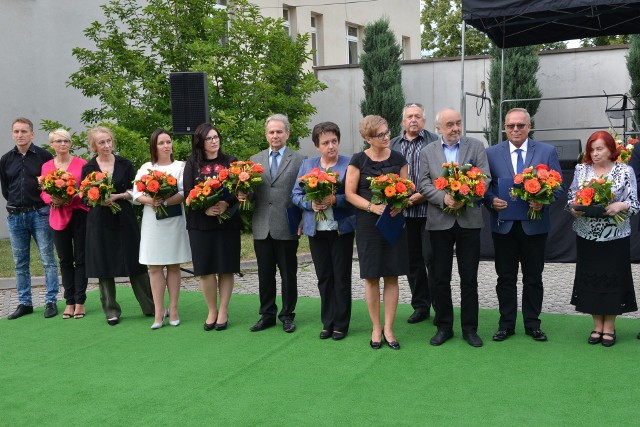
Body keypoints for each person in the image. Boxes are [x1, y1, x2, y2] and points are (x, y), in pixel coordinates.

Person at [484, 107, 563, 342]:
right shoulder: (491, 153)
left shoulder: (546, 152)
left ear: (529, 127)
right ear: (505, 128)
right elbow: (483, 188)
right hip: (504, 226)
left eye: (520, 125)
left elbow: (558, 186)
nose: (515, 129)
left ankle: (532, 324)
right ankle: (506, 324)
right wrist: (490, 201)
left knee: (533, 277)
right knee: (505, 277)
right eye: (511, 126)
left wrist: (543, 201)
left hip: (534, 226)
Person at [419, 108, 490, 348]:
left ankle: (470, 329)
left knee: (469, 277)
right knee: (440, 277)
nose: (455, 128)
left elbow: (485, 177)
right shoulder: (428, 151)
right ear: (438, 128)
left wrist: (465, 194)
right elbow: (423, 182)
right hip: (439, 223)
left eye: (458, 123)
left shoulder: (476, 146)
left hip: (469, 220)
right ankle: (444, 326)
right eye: (450, 124)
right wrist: (443, 198)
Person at [568, 131, 638, 347]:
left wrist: (621, 205)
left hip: (615, 236)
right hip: (587, 235)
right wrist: (574, 208)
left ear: (610, 150)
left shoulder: (625, 170)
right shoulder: (581, 169)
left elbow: (635, 203)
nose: (595, 153)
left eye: (600, 149)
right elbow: (571, 197)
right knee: (590, 279)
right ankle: (597, 325)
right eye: (592, 149)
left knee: (613, 279)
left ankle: (610, 327)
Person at [345, 115, 409, 350]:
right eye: (380, 134)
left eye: (386, 132)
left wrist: (400, 205)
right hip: (367, 225)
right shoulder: (358, 160)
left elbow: (407, 190)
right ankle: (375, 327)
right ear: (367, 138)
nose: (386, 137)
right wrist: (373, 207)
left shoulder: (400, 158)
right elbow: (350, 193)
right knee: (371, 277)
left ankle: (389, 328)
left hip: (393, 223)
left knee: (392, 276)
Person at [82, 126, 154, 326]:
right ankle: (111, 310)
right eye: (101, 143)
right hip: (99, 221)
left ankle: (150, 307)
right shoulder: (88, 168)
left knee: (135, 263)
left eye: (108, 141)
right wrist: (97, 199)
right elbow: (84, 196)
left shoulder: (125, 164)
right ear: (94, 146)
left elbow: (136, 192)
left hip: (124, 218)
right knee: (103, 266)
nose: (106, 145)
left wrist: (120, 196)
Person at [292, 122, 356, 340]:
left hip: (341, 230)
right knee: (324, 277)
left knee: (341, 277)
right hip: (315, 229)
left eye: (334, 141)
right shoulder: (308, 165)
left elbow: (354, 195)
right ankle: (327, 322)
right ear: (317, 146)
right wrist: (310, 204)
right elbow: (295, 195)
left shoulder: (349, 164)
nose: (331, 146)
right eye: (325, 143)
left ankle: (341, 323)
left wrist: (334, 200)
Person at [247, 114, 306, 333]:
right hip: (262, 225)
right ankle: (267, 314)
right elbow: (253, 195)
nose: (275, 135)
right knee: (264, 273)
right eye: (271, 132)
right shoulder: (255, 160)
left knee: (288, 274)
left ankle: (287, 315)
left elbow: (304, 192)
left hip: (288, 224)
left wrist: (302, 220)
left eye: (279, 131)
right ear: (266, 135)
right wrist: (244, 193)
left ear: (287, 133)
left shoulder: (300, 159)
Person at [183, 123, 241, 331]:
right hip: (200, 224)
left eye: (216, 137)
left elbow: (239, 190)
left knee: (226, 268)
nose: (214, 141)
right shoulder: (191, 164)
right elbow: (189, 194)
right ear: (201, 142)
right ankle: (212, 310)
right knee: (205, 270)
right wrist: (204, 208)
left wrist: (226, 203)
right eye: (209, 138)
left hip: (227, 223)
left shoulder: (230, 161)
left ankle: (223, 310)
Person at [0, 118, 59, 319]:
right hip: (15, 215)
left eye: (24, 131)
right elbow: (6, 189)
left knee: (48, 259)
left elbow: (51, 185)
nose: (20, 135)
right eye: (16, 131)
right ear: (12, 133)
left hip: (40, 213)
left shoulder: (44, 157)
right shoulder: (6, 159)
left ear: (32, 134)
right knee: (20, 262)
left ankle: (51, 300)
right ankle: (25, 303)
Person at [133, 129, 191, 329]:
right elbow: (136, 193)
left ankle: (173, 309)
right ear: (154, 146)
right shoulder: (146, 168)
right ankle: (159, 311)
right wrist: (152, 201)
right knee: (154, 267)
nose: (166, 146)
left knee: (174, 265)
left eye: (168, 142)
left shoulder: (181, 167)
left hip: (174, 220)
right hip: (152, 221)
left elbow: (185, 191)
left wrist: (165, 202)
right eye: (161, 143)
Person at [390, 102, 438, 324]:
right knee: (413, 262)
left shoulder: (434, 142)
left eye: (418, 116)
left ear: (424, 121)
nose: (413, 120)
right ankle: (420, 306)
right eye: (409, 116)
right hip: (404, 214)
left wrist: (423, 195)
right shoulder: (393, 145)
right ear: (403, 121)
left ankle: (440, 305)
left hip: (431, 211)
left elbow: (443, 175)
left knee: (433, 259)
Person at [40, 129, 89, 319]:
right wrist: (52, 199)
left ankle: (80, 301)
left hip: (78, 214)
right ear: (52, 144)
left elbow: (85, 190)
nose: (63, 144)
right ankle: (69, 301)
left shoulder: (81, 164)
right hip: (57, 216)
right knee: (65, 260)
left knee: (81, 258)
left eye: (66, 141)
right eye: (59, 141)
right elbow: (43, 191)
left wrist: (71, 197)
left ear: (70, 144)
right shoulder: (46, 166)